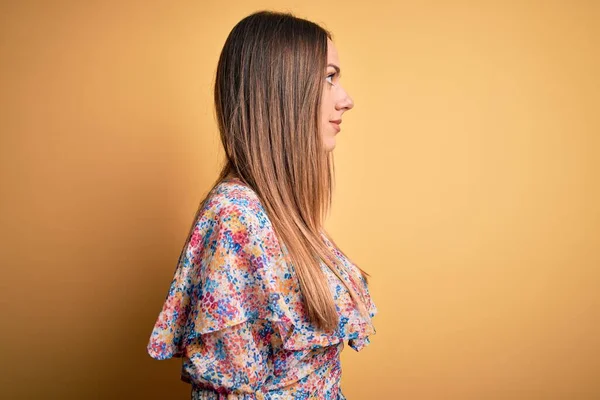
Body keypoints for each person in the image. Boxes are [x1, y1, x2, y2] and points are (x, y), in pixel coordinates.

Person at [147, 10, 378, 399]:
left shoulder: (279, 213)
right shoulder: (235, 218)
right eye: (328, 78)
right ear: (281, 90)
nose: (346, 99)